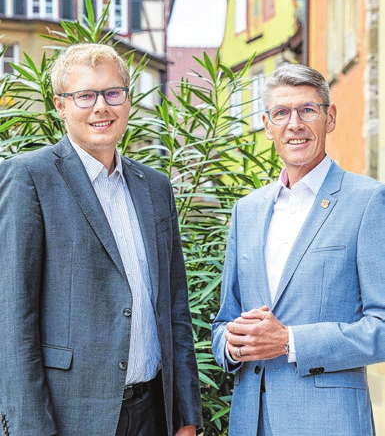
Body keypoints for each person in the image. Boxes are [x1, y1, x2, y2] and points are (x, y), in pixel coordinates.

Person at [0, 43, 202, 436]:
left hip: (154, 414)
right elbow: (12, 320)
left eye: (113, 93)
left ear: (127, 99)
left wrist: (186, 415)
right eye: (84, 96)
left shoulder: (155, 187)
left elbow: (175, 308)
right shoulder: (29, 178)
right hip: (70, 417)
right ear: (60, 106)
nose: (101, 107)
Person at [212, 63, 385, 436]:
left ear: (330, 117)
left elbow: (382, 328)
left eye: (307, 110)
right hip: (250, 421)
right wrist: (231, 343)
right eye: (281, 113)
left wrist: (289, 341)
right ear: (266, 123)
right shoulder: (247, 210)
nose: (295, 124)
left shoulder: (368, 201)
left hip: (329, 423)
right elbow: (223, 321)